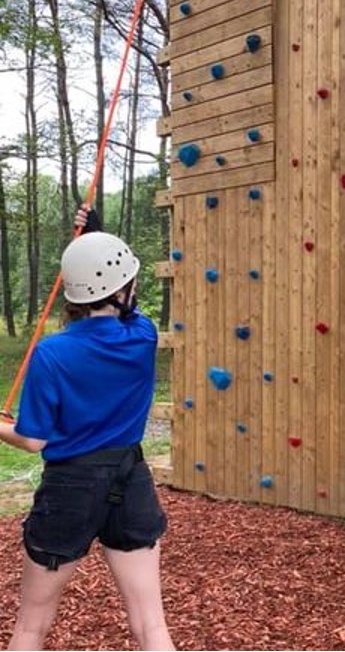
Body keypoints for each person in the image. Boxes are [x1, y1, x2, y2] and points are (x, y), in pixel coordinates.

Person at [0, 205, 174, 651]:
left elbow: (33, 439)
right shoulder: (144, 336)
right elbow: (124, 303)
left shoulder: (52, 353)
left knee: (31, 629)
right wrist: (95, 239)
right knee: (151, 627)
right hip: (129, 482)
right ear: (122, 289)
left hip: (69, 490)